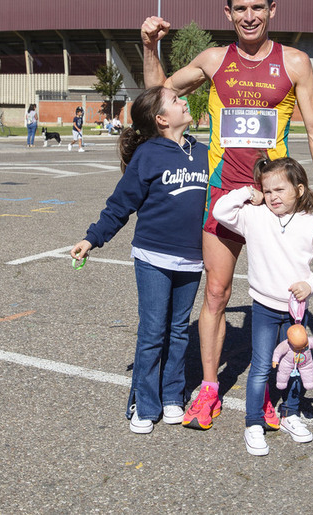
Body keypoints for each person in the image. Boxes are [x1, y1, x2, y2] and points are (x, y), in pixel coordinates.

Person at [140, 0, 313, 430]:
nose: (250, 16)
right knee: (215, 293)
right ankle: (209, 387)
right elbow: (158, 96)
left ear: (272, 10)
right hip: (223, 196)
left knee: (274, 301)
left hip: (275, 206)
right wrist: (150, 48)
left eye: (258, 7)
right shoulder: (212, 59)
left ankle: (266, 391)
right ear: (228, 13)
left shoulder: (295, 62)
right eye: (240, 9)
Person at [69, 86, 208, 434]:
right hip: (153, 255)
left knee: (179, 331)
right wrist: (91, 238)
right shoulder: (148, 155)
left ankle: (173, 396)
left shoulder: (204, 152)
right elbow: (120, 205)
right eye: (176, 101)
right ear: (162, 119)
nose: (184, 102)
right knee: (152, 332)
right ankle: (145, 404)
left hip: (191, 259)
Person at [212, 157, 313, 455]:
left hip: (296, 310)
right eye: (267, 191)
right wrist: (246, 193)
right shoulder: (255, 217)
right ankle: (253, 422)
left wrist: (311, 283)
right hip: (264, 308)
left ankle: (290, 413)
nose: (273, 197)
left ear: (299, 189)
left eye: (280, 190)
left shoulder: (311, 225)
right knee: (259, 367)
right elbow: (220, 210)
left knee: (295, 365)